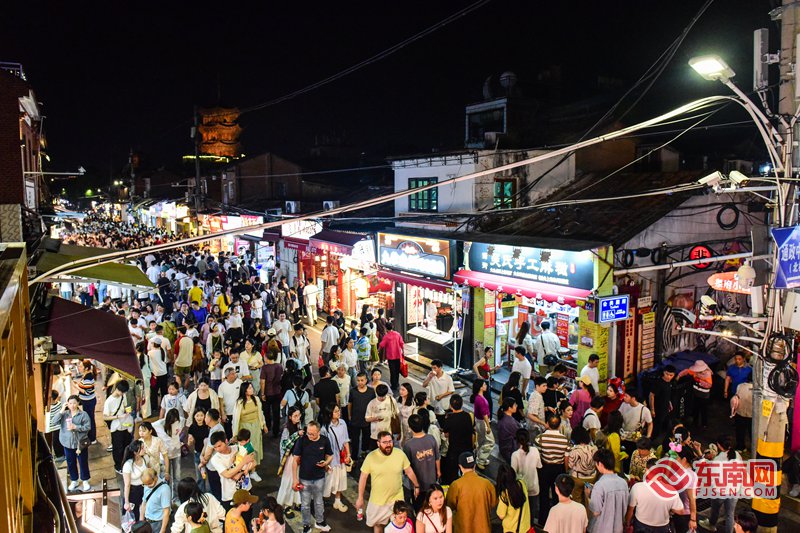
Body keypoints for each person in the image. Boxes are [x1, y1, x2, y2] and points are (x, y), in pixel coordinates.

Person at [356, 431, 420, 533]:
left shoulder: (399, 454)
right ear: (378, 443)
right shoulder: (371, 457)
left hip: (397, 499)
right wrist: (360, 497)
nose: (388, 444)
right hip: (378, 501)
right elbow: (363, 477)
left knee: (399, 525)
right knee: (378, 525)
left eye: (390, 441)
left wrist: (416, 486)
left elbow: (409, 471)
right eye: (384, 442)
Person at [292, 420, 333, 533]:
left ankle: (320, 521)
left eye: (312, 434)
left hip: (320, 477)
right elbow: (295, 460)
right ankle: (306, 524)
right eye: (308, 433)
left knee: (319, 501)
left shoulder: (324, 440)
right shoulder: (301, 440)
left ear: (319, 432)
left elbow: (330, 455)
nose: (309, 435)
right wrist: (295, 479)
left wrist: (326, 463)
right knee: (305, 504)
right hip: (304, 478)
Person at [444, 451, 497, 533]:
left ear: (460, 466)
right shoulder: (487, 483)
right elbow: (494, 503)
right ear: (474, 465)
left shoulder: (456, 485)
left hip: (463, 529)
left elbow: (449, 506)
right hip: (483, 529)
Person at [699, 436, 741, 533]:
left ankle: (711, 525)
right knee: (730, 514)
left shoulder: (717, 460)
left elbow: (712, 476)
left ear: (719, 446)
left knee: (715, 509)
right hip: (734, 490)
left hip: (720, 491)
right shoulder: (736, 454)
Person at [626, 462, 684, 533]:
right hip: (662, 527)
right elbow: (680, 511)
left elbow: (630, 510)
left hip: (641, 525)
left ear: (647, 471)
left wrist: (627, 523)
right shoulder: (671, 491)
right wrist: (669, 507)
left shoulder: (637, 487)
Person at [53, 395, 92, 492]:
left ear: (78, 403)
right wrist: (62, 410)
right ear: (67, 404)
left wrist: (76, 427)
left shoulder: (83, 414)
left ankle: (85, 480)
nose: (72, 405)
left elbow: (88, 427)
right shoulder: (65, 414)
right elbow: (54, 422)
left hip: (80, 443)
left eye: (74, 403)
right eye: (70, 403)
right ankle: (74, 480)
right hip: (67, 443)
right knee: (70, 462)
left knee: (83, 462)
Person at [536, 415, 570, 524]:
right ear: (559, 426)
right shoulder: (564, 440)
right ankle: (556, 520)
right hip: (559, 469)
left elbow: (538, 456)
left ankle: (542, 520)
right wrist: (566, 472)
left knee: (544, 495)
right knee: (557, 495)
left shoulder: (540, 438)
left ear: (547, 424)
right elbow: (566, 458)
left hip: (544, 468)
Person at [587, 448, 629, 533]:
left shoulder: (599, 485)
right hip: (618, 528)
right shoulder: (623, 483)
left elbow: (596, 512)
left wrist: (588, 495)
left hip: (601, 528)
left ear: (600, 464)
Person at [403, 413, 440, 508]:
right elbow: (437, 458)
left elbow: (407, 468)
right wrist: (438, 472)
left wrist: (415, 485)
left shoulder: (408, 445)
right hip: (432, 481)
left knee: (420, 509)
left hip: (417, 485)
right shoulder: (431, 438)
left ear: (410, 427)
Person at [320, 404, 350, 513]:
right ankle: (320, 502)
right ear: (330, 413)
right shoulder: (325, 428)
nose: (339, 412)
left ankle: (337, 501)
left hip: (341, 458)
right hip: (331, 459)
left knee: (341, 480)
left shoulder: (343, 423)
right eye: (336, 411)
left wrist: (348, 455)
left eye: (339, 410)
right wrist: (326, 462)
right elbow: (323, 447)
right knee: (328, 482)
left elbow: (346, 440)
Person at [231, 382, 267, 473]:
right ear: (245, 391)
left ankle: (253, 470)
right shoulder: (239, 402)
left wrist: (264, 424)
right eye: (249, 388)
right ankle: (245, 468)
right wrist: (235, 434)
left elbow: (260, 413)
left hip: (255, 426)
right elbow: (235, 419)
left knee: (255, 447)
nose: (252, 389)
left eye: (252, 387)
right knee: (246, 449)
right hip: (244, 427)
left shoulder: (256, 399)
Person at [276, 406, 304, 518]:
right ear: (290, 417)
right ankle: (286, 506)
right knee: (288, 482)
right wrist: (297, 435)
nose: (298, 417)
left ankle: (296, 502)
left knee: (297, 480)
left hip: (298, 457)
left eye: (299, 415)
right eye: (295, 416)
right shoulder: (287, 429)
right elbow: (284, 445)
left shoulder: (299, 425)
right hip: (290, 459)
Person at [441, 395, 475, 483]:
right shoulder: (467, 416)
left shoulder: (449, 419)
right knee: (468, 471)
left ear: (451, 406)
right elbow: (472, 433)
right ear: (462, 404)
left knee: (452, 473)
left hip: (454, 450)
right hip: (467, 449)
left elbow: (446, 435)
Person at [511, 428, 541, 523]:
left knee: (521, 513)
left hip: (521, 489)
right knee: (531, 512)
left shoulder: (515, 455)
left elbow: (513, 473)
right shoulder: (535, 451)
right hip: (534, 487)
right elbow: (539, 466)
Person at [103, 380, 134, 473]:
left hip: (124, 423)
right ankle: (118, 466)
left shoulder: (123, 396)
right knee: (118, 447)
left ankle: (127, 462)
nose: (123, 394)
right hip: (115, 426)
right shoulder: (109, 401)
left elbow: (125, 406)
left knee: (126, 444)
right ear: (117, 389)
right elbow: (105, 417)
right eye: (122, 392)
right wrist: (118, 416)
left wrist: (128, 411)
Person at [153, 408, 183, 492]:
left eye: (176, 420)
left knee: (177, 477)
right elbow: (148, 427)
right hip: (164, 455)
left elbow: (185, 425)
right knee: (166, 478)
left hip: (176, 453)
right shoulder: (158, 425)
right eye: (172, 421)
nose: (174, 423)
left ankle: (176, 496)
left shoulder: (181, 421)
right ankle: (166, 496)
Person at [496, 462, 531, 533]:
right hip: (525, 527)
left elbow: (501, 515)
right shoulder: (521, 484)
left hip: (511, 530)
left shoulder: (504, 495)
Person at [349, 371, 377, 459]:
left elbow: (374, 405)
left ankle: (364, 454)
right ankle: (354, 457)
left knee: (366, 438)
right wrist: (350, 415)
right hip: (355, 420)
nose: (360, 382)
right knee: (355, 440)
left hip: (367, 420)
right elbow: (350, 404)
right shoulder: (353, 391)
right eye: (358, 380)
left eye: (362, 380)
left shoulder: (371, 391)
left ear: (366, 380)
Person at [678, 360, 713, 428]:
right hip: (696, 393)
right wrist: (679, 375)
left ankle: (704, 424)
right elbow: (687, 371)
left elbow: (709, 385)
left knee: (703, 410)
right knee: (696, 408)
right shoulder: (695, 372)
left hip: (704, 396)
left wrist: (699, 380)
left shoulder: (707, 374)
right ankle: (695, 422)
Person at [140, 467, 172, 533]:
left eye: (149, 483)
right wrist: (141, 521)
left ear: (155, 477)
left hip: (159, 523)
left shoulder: (164, 489)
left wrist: (162, 530)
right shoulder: (146, 485)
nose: (147, 486)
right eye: (145, 484)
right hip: (147, 521)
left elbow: (166, 511)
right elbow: (144, 503)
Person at [470, 379, 494, 469]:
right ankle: (481, 459)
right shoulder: (481, 400)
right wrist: (488, 426)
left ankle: (479, 456)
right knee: (490, 442)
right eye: (484, 384)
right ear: (480, 387)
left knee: (481, 440)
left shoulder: (477, 397)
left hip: (478, 421)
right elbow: (485, 415)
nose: (486, 386)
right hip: (483, 422)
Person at [649, 365, 676, 441]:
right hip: (658, 408)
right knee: (656, 425)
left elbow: (667, 394)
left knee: (664, 424)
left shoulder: (670, 383)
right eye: (667, 374)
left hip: (665, 408)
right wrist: (652, 409)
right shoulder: (658, 383)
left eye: (671, 375)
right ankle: (651, 440)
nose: (668, 377)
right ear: (663, 372)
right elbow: (651, 395)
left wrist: (669, 403)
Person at [122, 440, 148, 518]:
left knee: (144, 512)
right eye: (142, 448)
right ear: (135, 452)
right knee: (134, 514)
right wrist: (126, 502)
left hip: (144, 488)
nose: (144, 449)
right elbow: (127, 485)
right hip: (133, 491)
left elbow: (149, 471)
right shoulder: (128, 465)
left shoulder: (145, 458)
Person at [473, 346, 500, 414]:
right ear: (485, 352)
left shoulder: (487, 360)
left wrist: (495, 368)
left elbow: (488, 370)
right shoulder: (483, 359)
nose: (491, 353)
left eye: (492, 352)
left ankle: (486, 414)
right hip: (483, 383)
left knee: (487, 400)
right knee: (489, 401)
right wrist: (479, 375)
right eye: (489, 352)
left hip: (487, 381)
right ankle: (487, 415)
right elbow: (475, 366)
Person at [76, 360, 98, 444]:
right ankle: (91, 436)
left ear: (86, 368)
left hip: (88, 401)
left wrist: (76, 386)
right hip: (88, 400)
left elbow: (86, 392)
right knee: (89, 418)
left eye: (81, 366)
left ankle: (92, 438)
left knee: (90, 419)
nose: (79, 367)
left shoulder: (88, 378)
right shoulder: (87, 375)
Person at [379, 322, 405, 390]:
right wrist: (403, 352)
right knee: (397, 370)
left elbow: (382, 345)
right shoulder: (397, 334)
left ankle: (394, 385)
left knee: (392, 371)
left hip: (390, 357)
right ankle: (397, 383)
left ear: (386, 328)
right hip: (398, 355)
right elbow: (402, 343)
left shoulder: (386, 336)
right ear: (392, 327)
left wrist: (378, 350)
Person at [218, 367, 243, 438]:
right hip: (228, 413)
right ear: (227, 376)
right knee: (229, 432)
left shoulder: (240, 382)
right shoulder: (222, 386)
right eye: (233, 374)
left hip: (239, 411)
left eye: (235, 373)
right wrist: (223, 414)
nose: (235, 375)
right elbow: (220, 401)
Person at [730, 381, 753, 452]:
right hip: (752, 415)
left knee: (740, 431)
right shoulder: (758, 389)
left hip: (740, 412)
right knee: (752, 432)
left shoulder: (740, 386)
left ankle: (740, 447)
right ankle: (754, 448)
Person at [497, 398, 522, 463]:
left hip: (504, 447)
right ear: (509, 408)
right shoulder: (510, 422)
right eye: (515, 405)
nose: (516, 406)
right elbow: (519, 434)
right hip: (510, 451)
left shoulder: (503, 416)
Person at [605, 410, 628, 474]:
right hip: (614, 467)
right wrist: (624, 454)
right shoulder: (615, 436)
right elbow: (616, 454)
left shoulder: (608, 432)